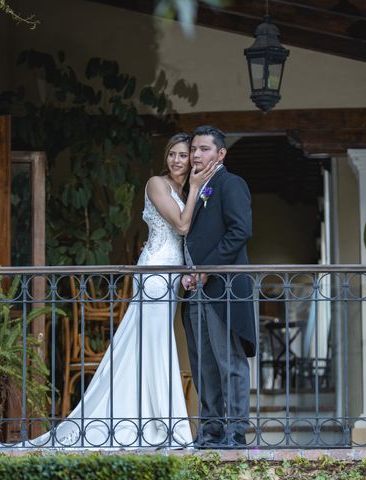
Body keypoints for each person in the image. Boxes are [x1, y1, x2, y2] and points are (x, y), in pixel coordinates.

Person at [35, 132, 217, 448]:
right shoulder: (156, 184)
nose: (177, 160)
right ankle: (155, 423)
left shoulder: (184, 189)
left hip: (172, 276)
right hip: (156, 272)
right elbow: (182, 226)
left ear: (191, 160)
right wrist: (198, 187)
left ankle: (153, 420)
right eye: (172, 154)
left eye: (183, 155)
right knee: (151, 342)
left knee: (156, 345)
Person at [181, 125, 256, 448]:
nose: (197, 155)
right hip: (195, 290)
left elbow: (240, 230)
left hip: (222, 287)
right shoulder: (196, 188)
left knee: (230, 362)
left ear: (221, 153)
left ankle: (236, 431)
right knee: (203, 365)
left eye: (205, 149)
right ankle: (210, 429)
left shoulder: (231, 183)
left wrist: (205, 270)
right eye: (194, 149)